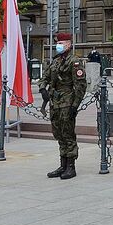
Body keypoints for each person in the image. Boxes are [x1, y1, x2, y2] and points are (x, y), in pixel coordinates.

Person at [39, 32, 87, 180]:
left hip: (67, 102)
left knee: (68, 134)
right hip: (55, 103)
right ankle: (63, 164)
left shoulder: (75, 62)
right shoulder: (55, 61)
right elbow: (44, 77)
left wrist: (74, 105)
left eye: (61, 43)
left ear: (69, 45)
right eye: (57, 43)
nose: (58, 46)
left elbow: (80, 86)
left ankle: (71, 166)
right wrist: (42, 89)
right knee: (58, 133)